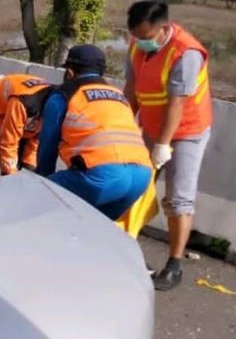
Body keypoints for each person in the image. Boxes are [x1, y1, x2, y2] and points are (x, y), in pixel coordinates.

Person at [124, 0, 213, 291]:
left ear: (164, 29)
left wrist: (162, 145)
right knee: (136, 185)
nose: (140, 42)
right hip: (151, 126)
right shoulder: (137, 46)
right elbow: (131, 90)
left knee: (178, 199)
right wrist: (125, 128)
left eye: (146, 37)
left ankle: (174, 265)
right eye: (136, 36)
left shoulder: (186, 53)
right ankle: (126, 251)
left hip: (187, 129)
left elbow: (176, 104)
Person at [35, 45, 153, 221]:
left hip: (103, 176)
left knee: (38, 198)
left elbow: (47, 148)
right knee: (93, 228)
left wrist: (41, 183)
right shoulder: (118, 95)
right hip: (141, 177)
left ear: (69, 72)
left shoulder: (64, 95)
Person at [0, 74, 53, 174]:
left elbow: (36, 141)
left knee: (26, 170)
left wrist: (29, 169)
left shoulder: (55, 108)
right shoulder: (22, 102)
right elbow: (8, 144)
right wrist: (10, 177)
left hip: (14, 114)